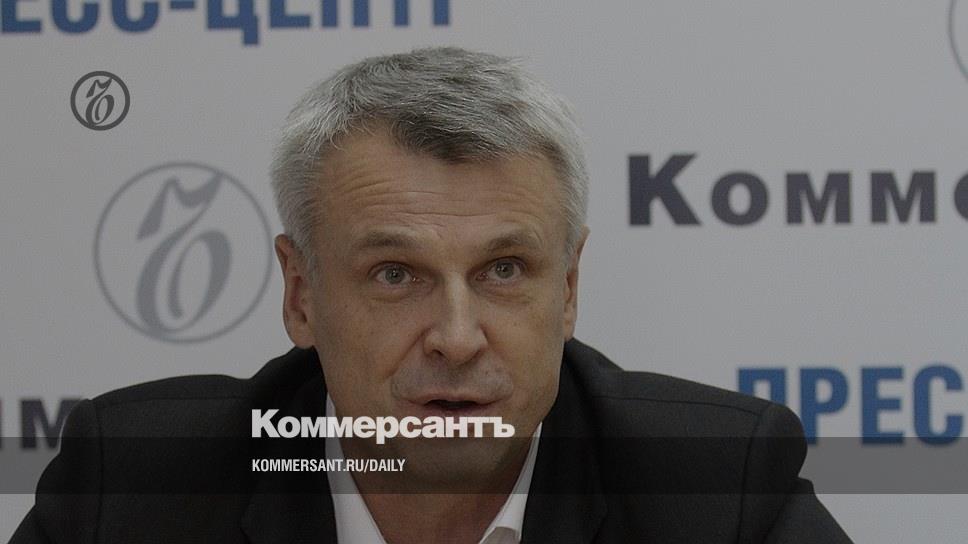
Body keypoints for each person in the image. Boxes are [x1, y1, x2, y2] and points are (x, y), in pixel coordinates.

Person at [11, 47, 852, 543]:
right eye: (395, 274)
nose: (457, 336)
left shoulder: (716, 490)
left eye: (504, 270)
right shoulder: (134, 489)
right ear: (301, 296)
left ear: (568, 290)